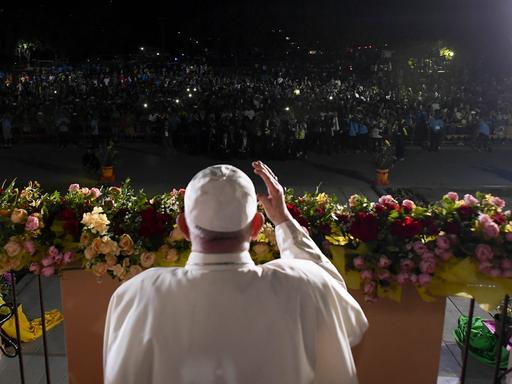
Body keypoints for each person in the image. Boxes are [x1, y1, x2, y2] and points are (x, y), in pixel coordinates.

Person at [103, 161, 368, 384]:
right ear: (256, 226)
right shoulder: (305, 286)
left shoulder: (139, 295)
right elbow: (350, 320)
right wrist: (285, 222)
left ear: (184, 227)